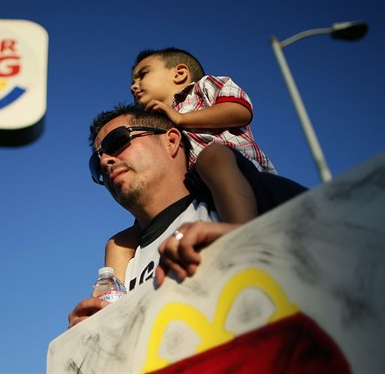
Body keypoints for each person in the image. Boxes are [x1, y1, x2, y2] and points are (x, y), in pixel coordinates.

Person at [68, 104, 305, 329]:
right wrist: (89, 338)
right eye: (95, 164)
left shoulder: (246, 196)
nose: (105, 161)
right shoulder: (122, 265)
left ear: (171, 140)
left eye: (117, 141)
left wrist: (247, 244)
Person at [106, 48, 278, 281]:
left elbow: (240, 110)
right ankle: (110, 295)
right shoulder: (159, 122)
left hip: (233, 168)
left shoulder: (205, 87)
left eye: (142, 74)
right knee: (122, 239)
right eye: (132, 82)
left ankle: (241, 230)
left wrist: (183, 119)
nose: (133, 86)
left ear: (180, 73)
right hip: (194, 184)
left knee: (212, 156)